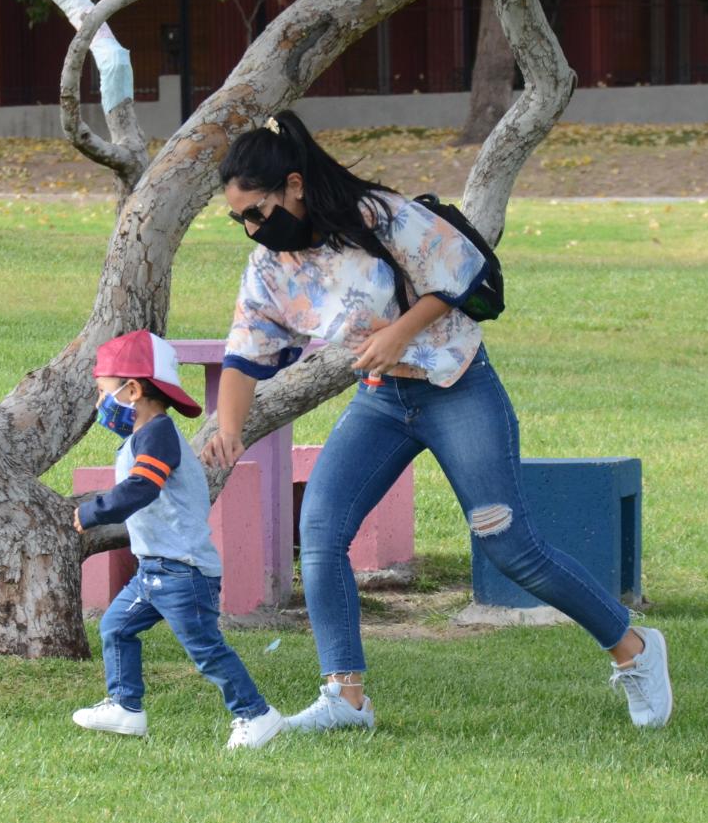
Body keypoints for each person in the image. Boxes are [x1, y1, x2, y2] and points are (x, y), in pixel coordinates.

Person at [202, 110, 672, 731]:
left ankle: (635, 649)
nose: (252, 230)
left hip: (457, 386)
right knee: (320, 530)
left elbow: (460, 268)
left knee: (510, 546)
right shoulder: (270, 266)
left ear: (293, 186)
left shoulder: (378, 215)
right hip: (381, 401)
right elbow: (245, 352)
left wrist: (400, 331)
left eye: (257, 213)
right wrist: (229, 428)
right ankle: (346, 699)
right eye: (239, 220)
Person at [72, 330, 286, 749]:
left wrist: (92, 512)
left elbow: (141, 489)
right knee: (115, 627)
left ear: (132, 391)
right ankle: (125, 707)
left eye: (103, 392)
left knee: (205, 649)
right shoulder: (143, 438)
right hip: (154, 569)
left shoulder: (159, 436)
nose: (99, 404)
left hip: (181, 572)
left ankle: (256, 714)